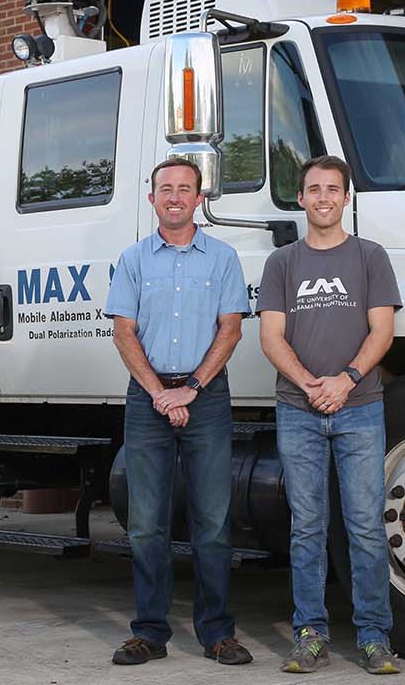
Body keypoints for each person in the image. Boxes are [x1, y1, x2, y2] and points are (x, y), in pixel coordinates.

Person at [256, 155, 403, 675]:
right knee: (307, 527)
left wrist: (346, 381)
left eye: (332, 189)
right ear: (301, 199)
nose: (323, 197)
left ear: (346, 199)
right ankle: (310, 635)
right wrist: (310, 385)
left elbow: (382, 331)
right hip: (297, 410)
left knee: (365, 525)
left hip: (360, 408)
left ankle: (373, 637)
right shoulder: (282, 263)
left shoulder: (370, 257)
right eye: (313, 189)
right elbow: (270, 336)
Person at [104, 158, 252, 667]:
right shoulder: (133, 260)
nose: (174, 196)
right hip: (147, 400)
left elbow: (230, 329)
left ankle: (217, 633)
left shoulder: (223, 258)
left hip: (206, 397)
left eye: (184, 189)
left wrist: (190, 388)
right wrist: (159, 392)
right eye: (165, 189)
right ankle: (149, 632)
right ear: (151, 199)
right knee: (146, 524)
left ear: (198, 198)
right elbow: (124, 332)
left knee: (213, 522)